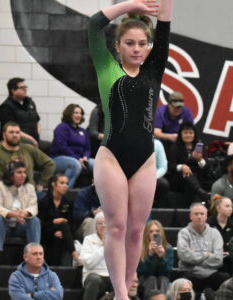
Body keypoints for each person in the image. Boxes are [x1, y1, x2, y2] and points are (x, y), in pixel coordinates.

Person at [88, 0, 173, 297]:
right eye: (130, 43)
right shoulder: (107, 68)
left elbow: (164, 24)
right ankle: (121, 293)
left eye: (142, 43)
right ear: (118, 45)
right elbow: (93, 24)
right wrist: (130, 5)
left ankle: (126, 286)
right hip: (111, 156)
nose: (137, 48)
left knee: (137, 230)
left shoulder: (153, 70)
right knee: (117, 227)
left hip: (145, 161)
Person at [0, 161, 41, 265]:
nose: (23, 175)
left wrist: (25, 213)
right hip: (4, 224)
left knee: (35, 220)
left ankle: (34, 256)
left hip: (21, 224)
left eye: (24, 172)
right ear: (10, 175)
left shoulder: (29, 187)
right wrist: (12, 214)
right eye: (19, 172)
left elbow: (34, 207)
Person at [0, 122, 55, 195]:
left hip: (31, 192)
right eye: (11, 132)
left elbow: (49, 163)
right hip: (8, 194)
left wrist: (42, 183)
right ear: (4, 135)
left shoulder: (28, 149)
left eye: (17, 132)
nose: (15, 135)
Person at [177, 203, 229, 294]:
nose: (199, 217)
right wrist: (206, 254)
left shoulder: (215, 233)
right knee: (183, 280)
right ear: (190, 217)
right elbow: (184, 256)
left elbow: (218, 259)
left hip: (210, 274)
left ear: (206, 216)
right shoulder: (184, 233)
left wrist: (194, 260)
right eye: (196, 214)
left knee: (225, 278)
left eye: (202, 214)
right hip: (190, 273)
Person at [0, 77, 51, 154]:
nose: (25, 89)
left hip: (34, 139)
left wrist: (36, 135)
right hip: (15, 140)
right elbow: (11, 129)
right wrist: (31, 139)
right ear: (13, 90)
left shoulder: (30, 103)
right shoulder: (6, 107)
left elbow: (37, 122)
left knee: (51, 146)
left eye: (26, 87)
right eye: (22, 87)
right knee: (29, 144)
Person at [38, 174, 80, 266]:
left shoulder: (67, 202)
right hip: (45, 232)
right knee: (62, 225)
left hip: (62, 233)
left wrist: (75, 238)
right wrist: (53, 222)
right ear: (53, 184)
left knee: (59, 235)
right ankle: (74, 253)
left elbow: (71, 222)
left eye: (66, 183)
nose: (65, 186)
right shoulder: (43, 202)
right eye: (62, 183)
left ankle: (56, 269)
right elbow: (40, 224)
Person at [49, 104, 94, 188]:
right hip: (58, 158)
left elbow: (88, 148)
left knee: (97, 164)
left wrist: (85, 157)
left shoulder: (83, 131)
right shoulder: (62, 127)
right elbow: (62, 147)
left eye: (80, 113)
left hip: (80, 159)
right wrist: (78, 158)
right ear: (69, 114)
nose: (79, 115)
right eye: (76, 113)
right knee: (75, 164)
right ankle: (64, 192)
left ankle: (95, 192)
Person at [167, 122, 212, 202]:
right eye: (185, 133)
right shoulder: (174, 147)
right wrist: (182, 167)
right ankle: (201, 193)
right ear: (180, 134)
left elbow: (206, 166)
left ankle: (199, 192)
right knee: (188, 176)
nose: (188, 135)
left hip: (198, 177)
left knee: (193, 179)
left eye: (191, 133)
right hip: (180, 178)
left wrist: (199, 160)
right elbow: (171, 165)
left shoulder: (199, 146)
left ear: (194, 134)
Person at [80, 212, 112, 300]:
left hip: (111, 276)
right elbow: (88, 263)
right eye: (100, 223)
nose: (103, 226)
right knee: (95, 280)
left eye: (105, 223)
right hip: (93, 275)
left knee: (120, 282)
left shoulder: (115, 241)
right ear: (95, 226)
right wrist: (104, 247)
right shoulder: (88, 240)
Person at [137, 220, 174, 297]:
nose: (154, 233)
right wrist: (150, 255)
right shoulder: (141, 248)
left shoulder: (168, 248)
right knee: (151, 279)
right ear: (147, 234)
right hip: (145, 280)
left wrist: (161, 258)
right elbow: (141, 272)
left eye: (157, 231)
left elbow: (167, 272)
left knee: (163, 279)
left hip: (162, 281)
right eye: (151, 231)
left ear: (161, 233)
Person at [207, 195, 233, 273]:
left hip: (227, 258)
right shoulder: (209, 224)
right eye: (227, 206)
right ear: (218, 208)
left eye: (231, 206)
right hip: (212, 257)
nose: (230, 209)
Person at [154, 138, 170, 208]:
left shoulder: (157, 144)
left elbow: (163, 167)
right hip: (132, 175)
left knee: (163, 184)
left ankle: (158, 211)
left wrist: (154, 177)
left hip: (152, 176)